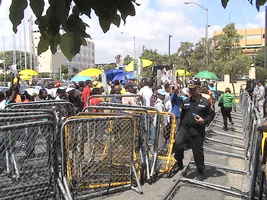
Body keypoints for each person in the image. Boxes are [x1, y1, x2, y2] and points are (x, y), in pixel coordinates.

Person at [173, 82, 214, 180]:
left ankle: (200, 171)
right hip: (184, 129)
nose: (191, 91)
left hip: (197, 131)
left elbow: (211, 115)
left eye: (193, 89)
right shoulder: (186, 101)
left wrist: (204, 121)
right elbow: (181, 111)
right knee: (178, 145)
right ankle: (179, 162)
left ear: (198, 89)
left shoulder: (205, 102)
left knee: (197, 152)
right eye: (190, 89)